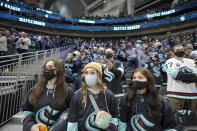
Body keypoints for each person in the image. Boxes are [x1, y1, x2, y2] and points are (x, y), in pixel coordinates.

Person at [22, 59, 74, 131]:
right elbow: (27, 112)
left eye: (49, 67)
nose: (46, 70)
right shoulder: (34, 90)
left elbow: (71, 114)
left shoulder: (68, 91)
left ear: (57, 70)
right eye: (45, 68)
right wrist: (31, 127)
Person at [67, 62, 118, 131]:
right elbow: (72, 121)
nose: (89, 75)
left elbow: (114, 116)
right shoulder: (77, 95)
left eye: (92, 73)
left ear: (99, 75)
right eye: (86, 73)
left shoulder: (108, 95)